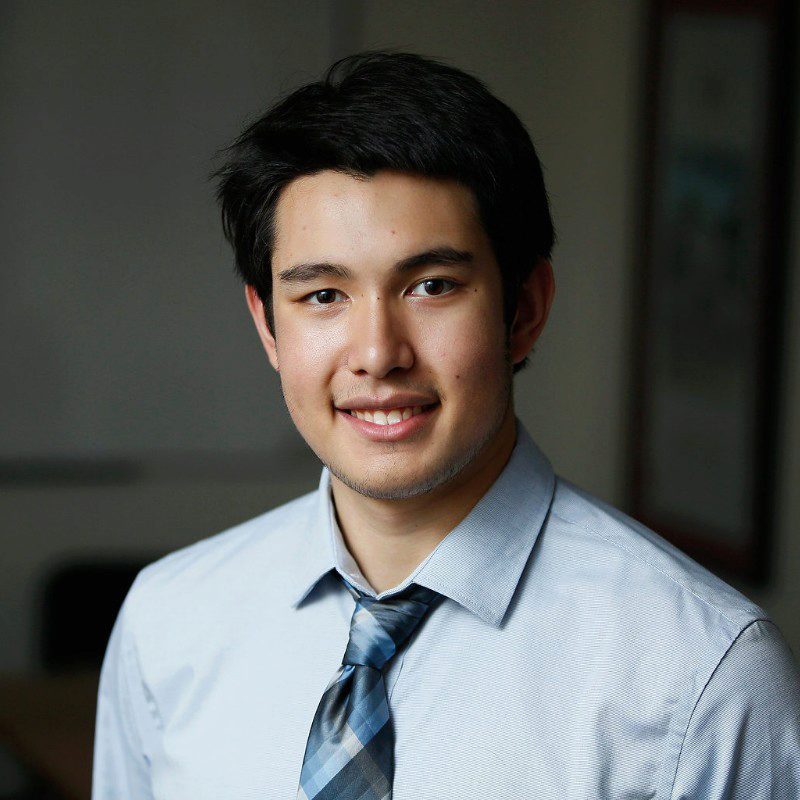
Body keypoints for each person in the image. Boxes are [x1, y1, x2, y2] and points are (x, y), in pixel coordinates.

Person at [92, 51, 800, 799]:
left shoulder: (701, 677)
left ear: (523, 310)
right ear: (268, 327)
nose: (377, 355)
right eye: (323, 296)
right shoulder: (167, 624)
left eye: (431, 286)